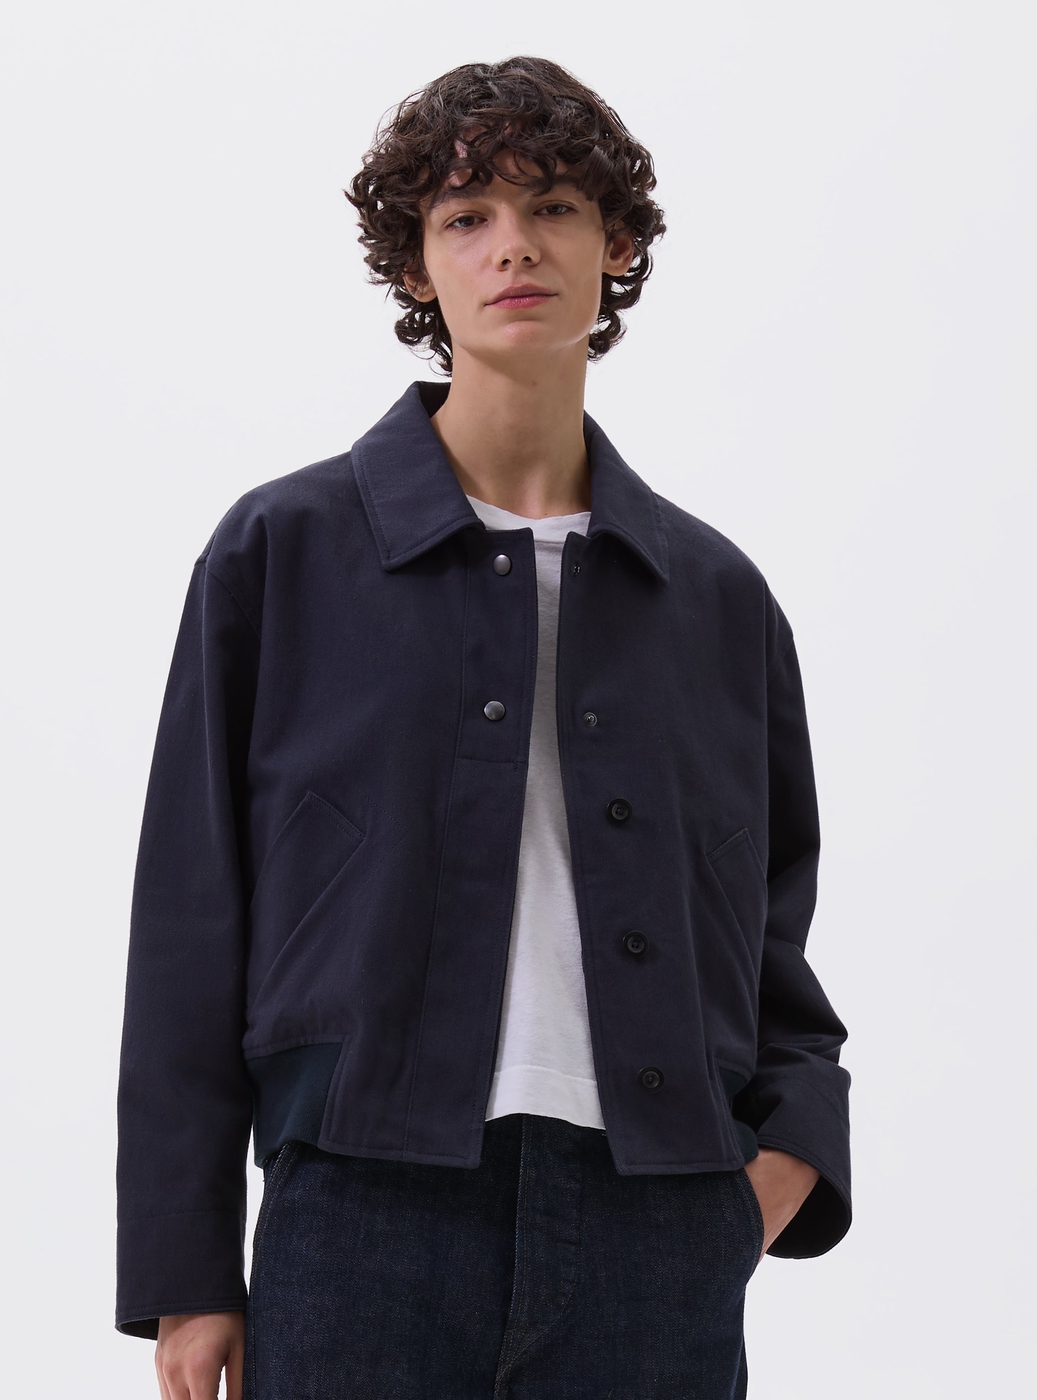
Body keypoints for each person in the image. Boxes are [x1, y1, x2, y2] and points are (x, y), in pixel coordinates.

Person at [117, 56, 851, 1400]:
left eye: (555, 206)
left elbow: (773, 924)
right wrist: (186, 1268)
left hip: (662, 1225)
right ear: (416, 265)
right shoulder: (284, 553)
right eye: (467, 216)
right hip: (361, 1218)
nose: (514, 245)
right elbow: (189, 918)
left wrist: (788, 1157)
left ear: (615, 244)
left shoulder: (716, 596)